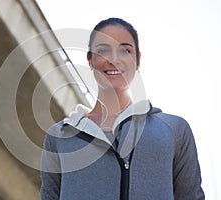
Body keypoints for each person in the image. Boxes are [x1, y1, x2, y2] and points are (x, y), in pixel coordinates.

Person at [40, 17, 205, 200]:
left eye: (125, 50)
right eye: (103, 50)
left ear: (137, 60)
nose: (114, 59)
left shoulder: (174, 130)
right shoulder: (59, 137)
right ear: (90, 60)